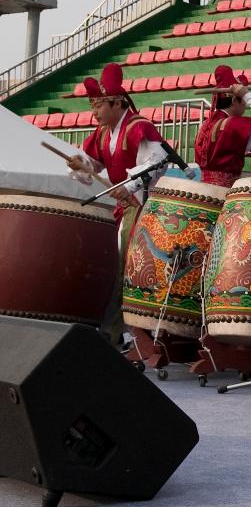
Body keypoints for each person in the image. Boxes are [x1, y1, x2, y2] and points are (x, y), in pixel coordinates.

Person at [65, 62, 168, 344]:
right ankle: (116, 329)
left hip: (147, 209)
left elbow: (157, 163)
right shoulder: (102, 134)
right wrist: (81, 163)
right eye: (93, 106)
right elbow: (94, 165)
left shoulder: (138, 127)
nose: (94, 112)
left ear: (116, 102)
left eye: (98, 106)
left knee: (126, 267)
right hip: (125, 209)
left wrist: (130, 185)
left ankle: (118, 331)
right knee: (118, 266)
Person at [194, 65, 251, 187]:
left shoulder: (206, 125)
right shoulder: (232, 124)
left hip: (204, 190)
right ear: (234, 100)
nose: (245, 106)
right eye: (244, 101)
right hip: (224, 193)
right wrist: (246, 94)